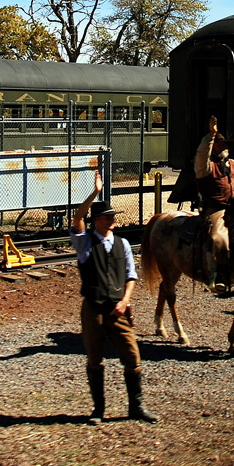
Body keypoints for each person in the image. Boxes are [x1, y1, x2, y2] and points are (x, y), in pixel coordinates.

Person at [71, 171, 158, 425]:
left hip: (118, 308)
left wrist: (125, 301)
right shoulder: (85, 243)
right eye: (107, 217)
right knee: (94, 359)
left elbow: (131, 277)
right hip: (94, 308)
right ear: (96, 220)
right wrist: (95, 193)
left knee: (133, 357)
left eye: (112, 217)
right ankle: (98, 410)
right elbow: (76, 218)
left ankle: (136, 407)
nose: (112, 220)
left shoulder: (123, 244)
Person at [193, 116, 234, 294]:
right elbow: (202, 152)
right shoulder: (205, 166)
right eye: (221, 144)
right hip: (216, 209)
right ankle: (218, 275)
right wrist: (211, 135)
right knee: (219, 238)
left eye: (225, 145)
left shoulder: (233, 164)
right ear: (214, 147)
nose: (225, 147)